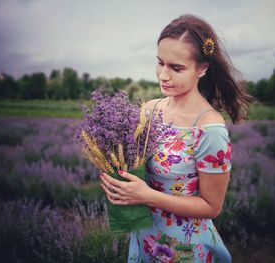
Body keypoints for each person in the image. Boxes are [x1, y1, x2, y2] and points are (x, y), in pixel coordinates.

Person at [100, 13, 253, 262]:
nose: (163, 75)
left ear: (202, 68)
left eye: (176, 67)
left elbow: (212, 207)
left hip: (184, 248)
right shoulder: (149, 110)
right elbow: (133, 168)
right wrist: (118, 182)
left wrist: (145, 195)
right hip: (144, 236)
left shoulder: (209, 129)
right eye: (160, 63)